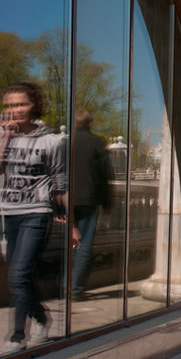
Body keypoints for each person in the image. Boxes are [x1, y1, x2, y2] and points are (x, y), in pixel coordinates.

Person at [0, 81, 67, 353]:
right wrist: (4, 139)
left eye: (21, 104)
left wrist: (69, 221)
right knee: (19, 278)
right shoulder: (0, 134)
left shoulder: (52, 141)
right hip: (9, 213)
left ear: (34, 105)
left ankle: (16, 336)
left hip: (37, 213)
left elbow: (60, 184)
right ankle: (41, 317)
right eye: (10, 105)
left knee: (18, 276)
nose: (15, 110)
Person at [70, 109, 112, 300]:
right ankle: (75, 288)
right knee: (84, 243)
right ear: (90, 123)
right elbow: (105, 175)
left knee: (68, 242)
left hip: (67, 198)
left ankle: (65, 284)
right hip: (89, 199)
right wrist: (107, 201)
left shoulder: (65, 142)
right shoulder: (98, 143)